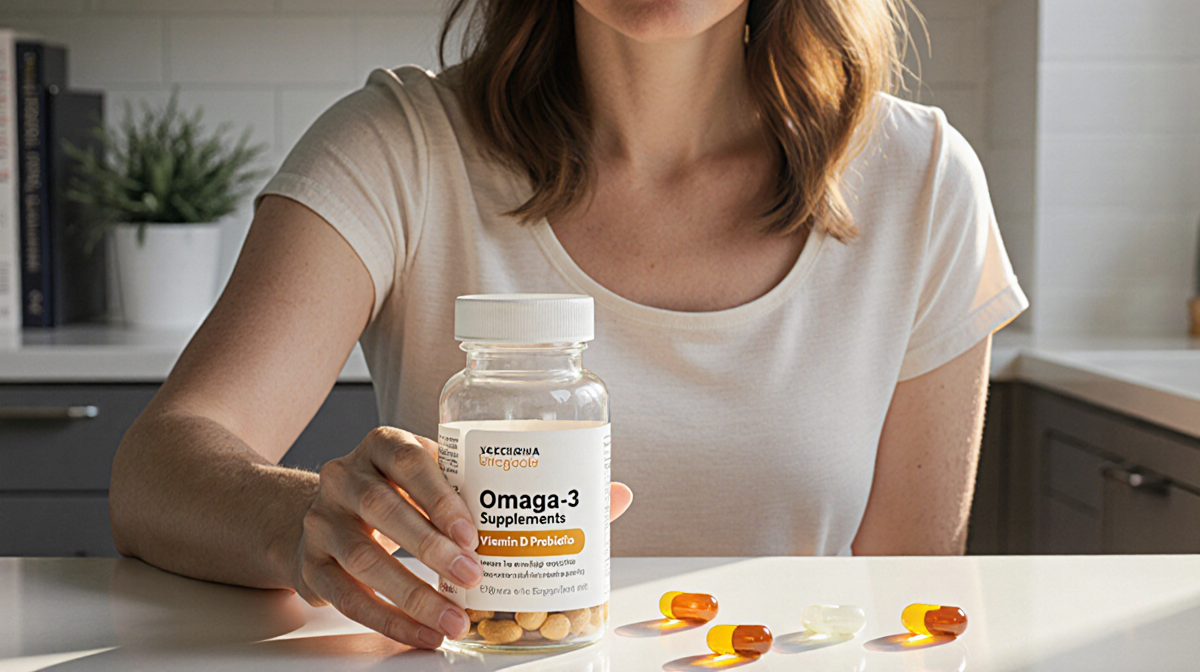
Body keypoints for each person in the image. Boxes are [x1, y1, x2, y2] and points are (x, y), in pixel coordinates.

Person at [109, 0, 1027, 651]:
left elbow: (911, 606)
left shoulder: (924, 182)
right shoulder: (400, 147)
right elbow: (158, 469)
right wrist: (308, 520)